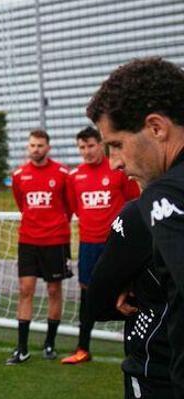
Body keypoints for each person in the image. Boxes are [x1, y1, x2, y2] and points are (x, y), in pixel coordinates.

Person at [86, 57, 184, 395]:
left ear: (156, 128)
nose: (114, 163)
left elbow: (97, 301)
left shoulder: (164, 195)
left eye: (116, 144)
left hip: (159, 375)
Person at [63, 126, 141, 365]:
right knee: (88, 295)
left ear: (101, 144)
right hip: (88, 244)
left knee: (129, 293)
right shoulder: (74, 177)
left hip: (117, 244)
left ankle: (137, 348)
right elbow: (75, 207)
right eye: (82, 147)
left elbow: (134, 201)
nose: (87, 151)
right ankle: (82, 348)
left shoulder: (118, 171)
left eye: (91, 145)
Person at [88, 201, 172, 398]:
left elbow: (98, 300)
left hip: (158, 365)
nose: (117, 167)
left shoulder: (143, 211)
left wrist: (139, 285)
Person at [8, 129, 72, 365]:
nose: (36, 149)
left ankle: (49, 344)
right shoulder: (19, 175)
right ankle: (22, 348)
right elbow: (21, 204)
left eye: (40, 145)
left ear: (48, 147)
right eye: (32, 145)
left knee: (54, 291)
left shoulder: (63, 173)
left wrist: (54, 224)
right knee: (26, 290)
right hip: (28, 240)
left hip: (55, 241)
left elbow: (70, 206)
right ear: (28, 148)